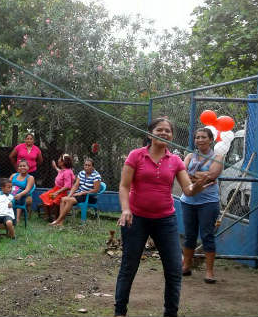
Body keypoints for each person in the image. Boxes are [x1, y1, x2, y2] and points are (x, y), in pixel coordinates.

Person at [114, 118, 210, 317]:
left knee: (174, 269)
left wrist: (198, 186)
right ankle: (120, 312)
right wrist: (126, 209)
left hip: (165, 220)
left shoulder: (174, 160)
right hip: (136, 219)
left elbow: (188, 190)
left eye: (168, 131)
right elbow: (124, 186)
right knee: (128, 267)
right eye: (160, 130)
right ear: (150, 134)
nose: (165, 133)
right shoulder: (136, 155)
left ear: (172, 136)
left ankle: (170, 313)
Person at [181, 128, 224, 284]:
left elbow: (212, 176)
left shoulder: (217, 157)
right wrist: (200, 175)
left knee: (207, 235)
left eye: (203, 137)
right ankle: (186, 265)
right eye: (197, 137)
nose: (200, 140)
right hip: (188, 201)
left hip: (208, 203)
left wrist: (192, 175)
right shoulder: (190, 156)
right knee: (189, 235)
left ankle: (209, 272)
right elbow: (182, 173)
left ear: (210, 139)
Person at [50, 158, 101, 227]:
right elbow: (75, 186)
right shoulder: (81, 173)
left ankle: (57, 221)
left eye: (89, 165)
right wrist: (69, 195)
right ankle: (60, 223)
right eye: (85, 165)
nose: (87, 167)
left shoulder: (96, 176)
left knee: (69, 201)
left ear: (93, 167)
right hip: (79, 194)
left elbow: (96, 190)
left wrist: (82, 193)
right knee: (63, 199)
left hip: (89, 197)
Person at [39, 154, 75, 222]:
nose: (58, 160)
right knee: (44, 196)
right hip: (56, 189)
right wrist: (55, 167)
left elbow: (68, 186)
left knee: (55, 201)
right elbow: (60, 172)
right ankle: (49, 217)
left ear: (63, 162)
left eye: (59, 159)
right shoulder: (63, 170)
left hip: (62, 192)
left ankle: (56, 219)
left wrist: (57, 192)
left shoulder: (67, 172)